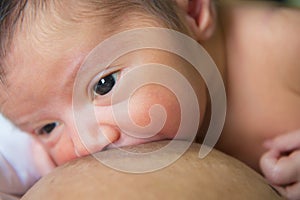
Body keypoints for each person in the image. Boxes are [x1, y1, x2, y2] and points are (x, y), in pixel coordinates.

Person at [0, 0, 299, 199]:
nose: (86, 144)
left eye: (104, 84)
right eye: (48, 128)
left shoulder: (281, 46)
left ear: (192, 11)